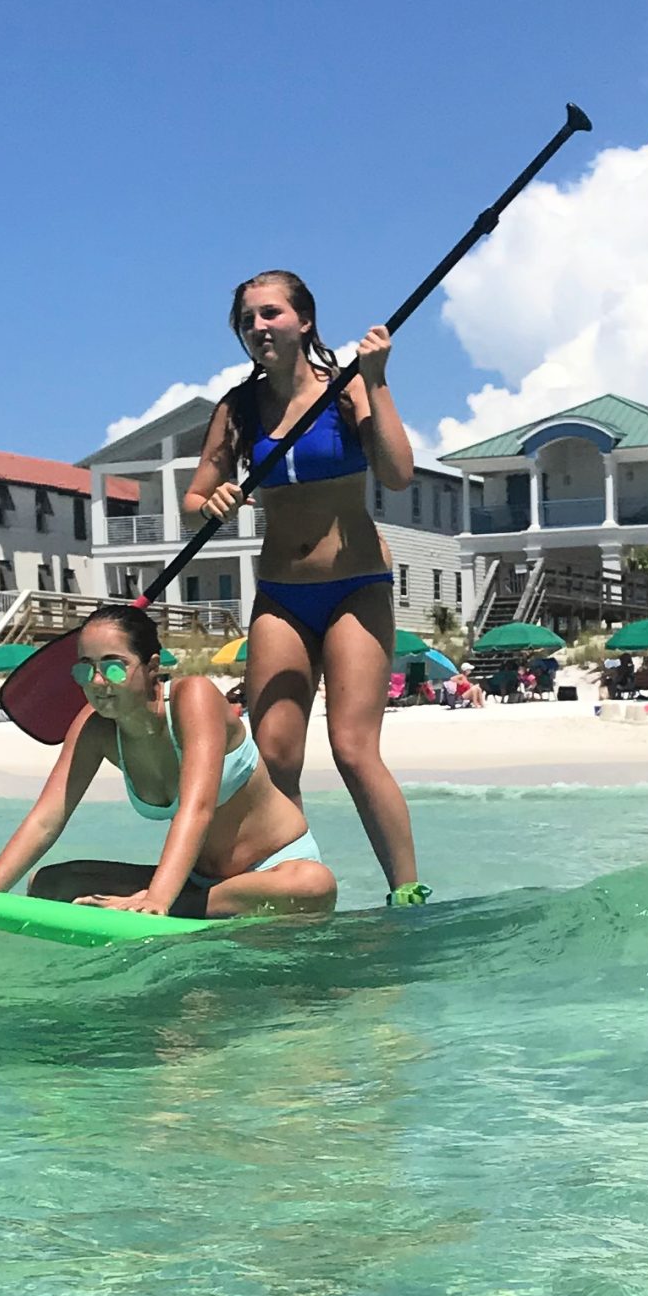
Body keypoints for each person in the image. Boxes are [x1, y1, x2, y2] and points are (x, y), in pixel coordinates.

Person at [186, 270, 428, 908]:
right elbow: (193, 497)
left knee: (351, 748)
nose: (259, 328)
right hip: (281, 595)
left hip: (356, 588)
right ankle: (285, 889)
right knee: (274, 754)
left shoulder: (348, 391)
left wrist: (375, 382)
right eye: (247, 321)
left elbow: (399, 474)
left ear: (305, 320)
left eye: (271, 314)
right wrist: (210, 501)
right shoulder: (237, 410)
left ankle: (407, 890)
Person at [0, 604, 336, 919]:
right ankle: (189, 907)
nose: (98, 682)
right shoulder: (94, 729)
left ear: (152, 667)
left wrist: (157, 900)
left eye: (114, 668)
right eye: (85, 669)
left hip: (272, 870)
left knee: (313, 885)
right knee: (50, 883)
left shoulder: (193, 698)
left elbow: (197, 809)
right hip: (196, 883)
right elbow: (45, 821)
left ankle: (175, 908)